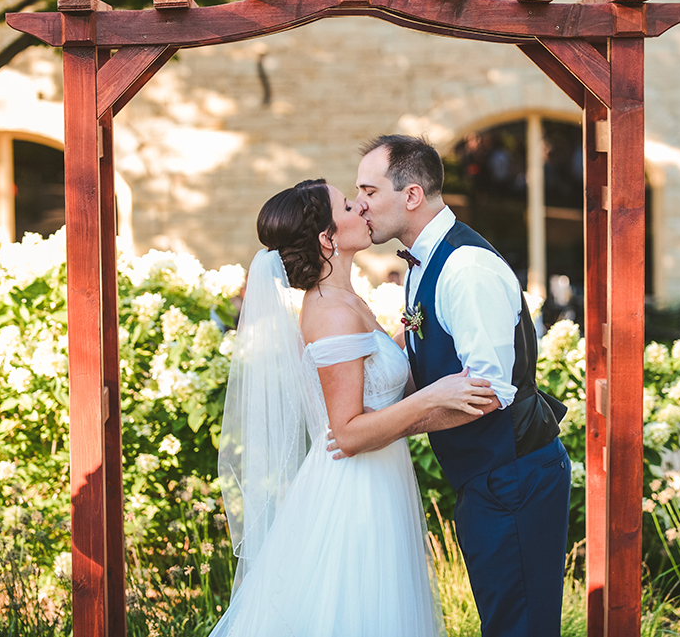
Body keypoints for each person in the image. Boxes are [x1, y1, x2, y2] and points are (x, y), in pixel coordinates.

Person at [212, 178, 497, 636]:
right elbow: (346, 432)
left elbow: (376, 379)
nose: (361, 207)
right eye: (348, 204)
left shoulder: (345, 300)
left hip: (381, 476)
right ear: (328, 238)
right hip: (356, 491)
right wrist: (433, 396)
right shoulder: (331, 312)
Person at [350, 134, 572, 637]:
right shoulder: (421, 263)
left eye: (368, 190)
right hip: (486, 477)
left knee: (521, 628)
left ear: (411, 196)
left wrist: (377, 430)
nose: (360, 203)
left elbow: (488, 391)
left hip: (512, 475)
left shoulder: (465, 268)